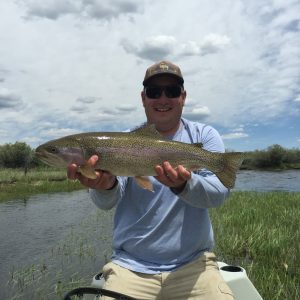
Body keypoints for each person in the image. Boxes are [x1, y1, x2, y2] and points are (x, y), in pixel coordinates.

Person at [67, 60, 234, 299]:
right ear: (143, 98)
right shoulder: (122, 142)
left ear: (183, 97)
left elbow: (219, 195)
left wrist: (184, 184)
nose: (163, 99)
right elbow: (106, 202)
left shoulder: (204, 135)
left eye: (172, 91)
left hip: (195, 266)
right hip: (130, 268)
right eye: (154, 92)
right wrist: (105, 186)